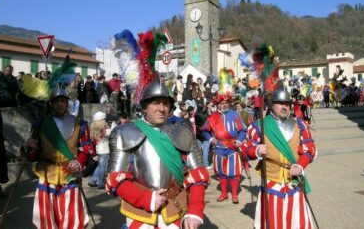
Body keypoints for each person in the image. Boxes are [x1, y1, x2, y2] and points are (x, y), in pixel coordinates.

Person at [105, 76, 210, 229]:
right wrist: (144, 199)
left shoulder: (183, 131)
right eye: (155, 103)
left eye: (166, 103)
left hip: (174, 206)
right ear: (144, 107)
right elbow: (114, 179)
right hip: (139, 211)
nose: (162, 108)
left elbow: (198, 174)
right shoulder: (125, 132)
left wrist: (195, 211)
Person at [242, 87, 317, 228]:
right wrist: (256, 150)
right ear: (272, 104)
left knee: (296, 221)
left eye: (287, 104)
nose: (285, 107)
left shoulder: (300, 125)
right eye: (280, 103)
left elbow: (310, 150)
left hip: (294, 182)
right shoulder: (259, 126)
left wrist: (299, 165)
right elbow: (245, 148)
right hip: (272, 181)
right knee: (273, 220)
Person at [24, 84, 95, 228]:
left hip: (70, 175)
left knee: (72, 217)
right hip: (46, 174)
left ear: (67, 102)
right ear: (51, 104)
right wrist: (29, 148)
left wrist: (78, 163)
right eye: (56, 101)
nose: (60, 104)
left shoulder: (80, 124)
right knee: (47, 217)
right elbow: (33, 156)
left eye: (63, 100)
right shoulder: (40, 124)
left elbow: (87, 149)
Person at [201, 92, 247, 203]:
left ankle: (235, 195)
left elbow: (243, 130)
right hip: (218, 148)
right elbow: (204, 130)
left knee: (234, 173)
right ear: (218, 105)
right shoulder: (212, 117)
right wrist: (211, 139)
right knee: (221, 173)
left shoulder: (235, 114)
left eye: (226, 103)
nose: (224, 105)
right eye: (222, 103)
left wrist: (239, 141)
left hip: (232, 147)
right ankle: (224, 194)